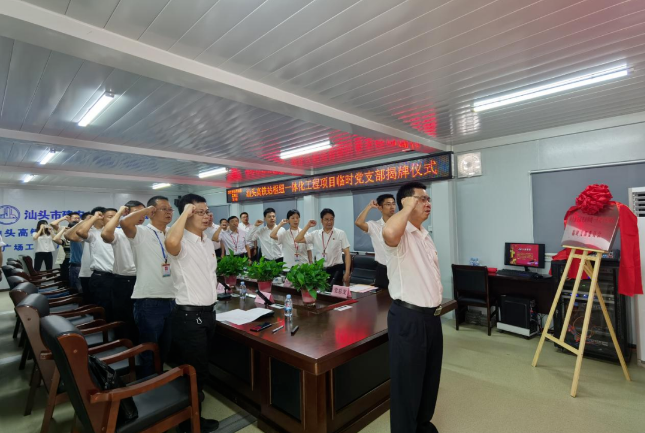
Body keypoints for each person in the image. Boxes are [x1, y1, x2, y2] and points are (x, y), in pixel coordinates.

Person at [382, 182, 443, 433]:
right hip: (408, 318)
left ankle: (422, 426)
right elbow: (389, 232)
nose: (428, 203)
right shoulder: (400, 233)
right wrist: (406, 207)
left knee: (429, 379)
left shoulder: (424, 235)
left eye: (429, 199)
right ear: (407, 202)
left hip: (432, 318)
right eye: (421, 199)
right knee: (407, 385)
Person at [165, 194, 219, 433]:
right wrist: (186, 211)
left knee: (200, 370)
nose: (206, 216)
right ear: (186, 215)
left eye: (207, 211)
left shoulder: (206, 241)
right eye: (200, 212)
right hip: (189, 318)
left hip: (207, 315)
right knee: (194, 373)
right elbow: (170, 242)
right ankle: (188, 424)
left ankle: (192, 416)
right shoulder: (180, 241)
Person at [121, 195, 176, 378]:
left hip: (172, 299)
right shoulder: (142, 233)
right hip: (149, 301)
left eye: (170, 209)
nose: (169, 212)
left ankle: (159, 381)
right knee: (149, 351)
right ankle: (147, 386)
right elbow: (124, 223)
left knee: (165, 348)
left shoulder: (172, 233)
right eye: (164, 209)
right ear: (152, 212)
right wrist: (145, 210)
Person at [101, 201, 145, 343]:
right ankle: (125, 347)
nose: (140, 216)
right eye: (136, 213)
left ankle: (141, 346)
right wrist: (119, 213)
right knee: (125, 318)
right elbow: (105, 234)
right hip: (124, 281)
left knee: (142, 317)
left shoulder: (147, 232)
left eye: (143, 213)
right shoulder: (119, 233)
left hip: (144, 280)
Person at [76, 207, 117, 320]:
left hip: (119, 277)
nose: (114, 219)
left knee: (116, 308)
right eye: (110, 217)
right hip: (102, 277)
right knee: (103, 309)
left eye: (116, 217)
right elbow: (80, 232)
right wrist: (93, 218)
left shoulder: (120, 232)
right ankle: (103, 328)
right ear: (101, 218)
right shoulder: (95, 233)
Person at [294, 209, 351, 286]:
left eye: (331, 219)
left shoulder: (340, 233)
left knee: (334, 292)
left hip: (336, 270)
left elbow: (347, 253)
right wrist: (308, 226)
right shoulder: (315, 234)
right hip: (320, 271)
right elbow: (297, 239)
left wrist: (347, 272)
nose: (329, 222)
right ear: (321, 220)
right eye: (326, 219)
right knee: (320, 292)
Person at [354, 194, 397, 289]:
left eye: (393, 204)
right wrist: (369, 206)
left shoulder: (400, 224)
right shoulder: (374, 225)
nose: (392, 207)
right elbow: (358, 222)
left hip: (399, 268)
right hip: (383, 269)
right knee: (382, 297)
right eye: (388, 204)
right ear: (380, 208)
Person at [65, 212, 93, 300]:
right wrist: (83, 222)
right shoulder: (81, 234)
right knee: (79, 292)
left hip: (91, 268)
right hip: (78, 266)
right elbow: (69, 236)